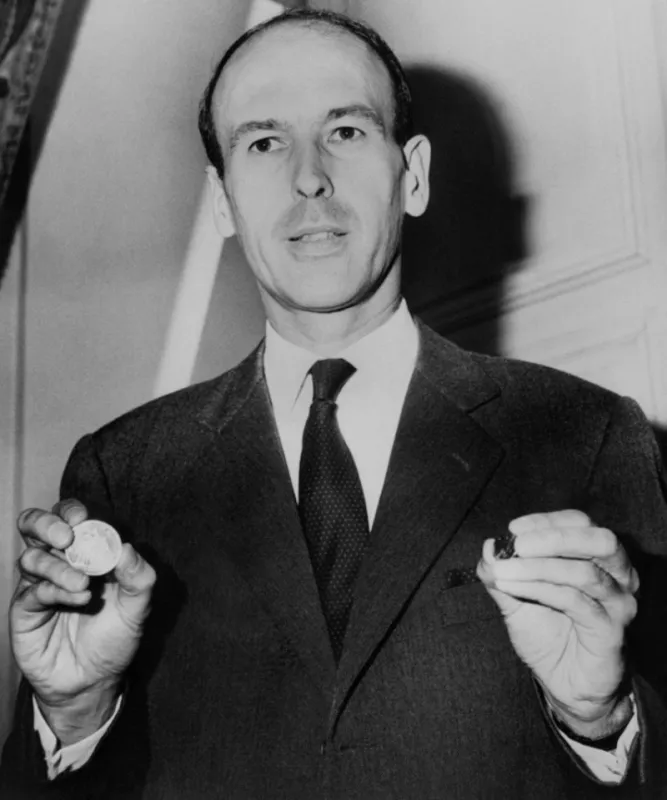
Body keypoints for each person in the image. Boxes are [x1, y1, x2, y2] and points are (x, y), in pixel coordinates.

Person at [2, 9, 667, 799]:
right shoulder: (124, 472)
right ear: (221, 200)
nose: (307, 176)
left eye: (345, 131)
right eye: (263, 141)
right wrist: (72, 714)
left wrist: (600, 719)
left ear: (411, 174)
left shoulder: (587, 434)